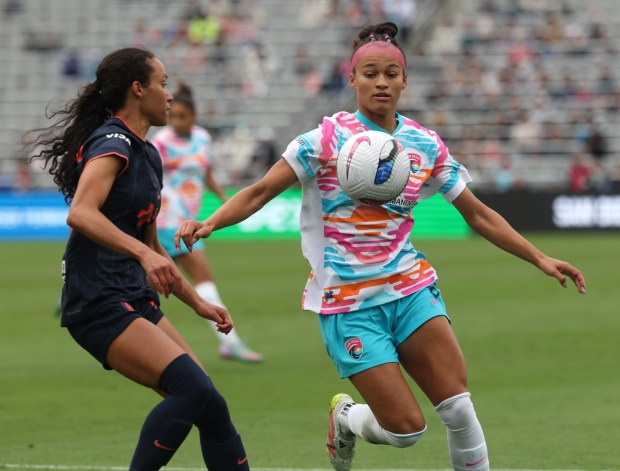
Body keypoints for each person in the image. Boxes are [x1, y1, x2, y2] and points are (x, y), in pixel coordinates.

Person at [176, 22, 587, 471]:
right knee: (406, 430)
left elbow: (477, 213)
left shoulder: (425, 144)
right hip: (348, 304)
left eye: (391, 74)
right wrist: (210, 222)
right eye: (370, 73)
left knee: (459, 410)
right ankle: (347, 419)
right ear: (352, 79)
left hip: (410, 289)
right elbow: (258, 192)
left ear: (405, 81)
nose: (381, 82)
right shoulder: (324, 139)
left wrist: (539, 257)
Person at [27, 48, 250, 471]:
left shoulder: (148, 154)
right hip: (98, 300)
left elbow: (153, 245)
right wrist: (143, 254)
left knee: (209, 403)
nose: (169, 95)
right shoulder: (113, 142)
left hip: (130, 294)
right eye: (163, 83)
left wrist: (198, 304)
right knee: (189, 389)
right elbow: (81, 212)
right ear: (138, 88)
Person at [151, 80, 262, 363]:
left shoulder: (202, 138)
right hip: (167, 221)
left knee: (149, 283)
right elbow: (150, 178)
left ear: (194, 117)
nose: (176, 121)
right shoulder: (161, 142)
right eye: (173, 116)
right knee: (201, 279)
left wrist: (225, 199)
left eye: (182, 116)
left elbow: (206, 173)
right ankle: (231, 341)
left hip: (189, 219)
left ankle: (92, 291)